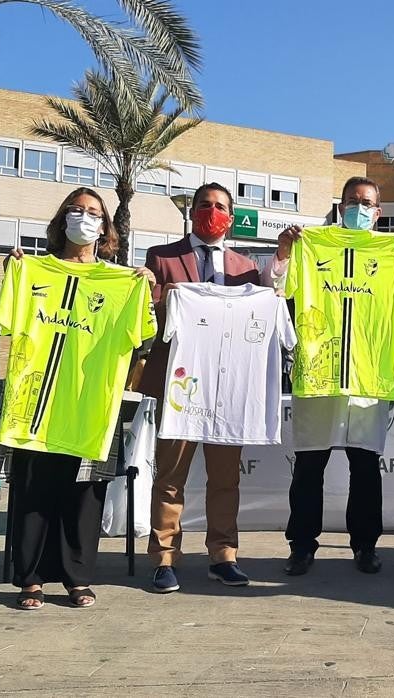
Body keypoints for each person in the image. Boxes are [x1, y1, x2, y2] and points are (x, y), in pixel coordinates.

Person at [265, 176, 394, 576]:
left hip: (370, 378)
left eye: (367, 202)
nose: (359, 207)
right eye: (352, 201)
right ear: (340, 206)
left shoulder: (393, 252)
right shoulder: (313, 245)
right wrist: (285, 250)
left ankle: (365, 546)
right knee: (310, 466)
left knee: (365, 468)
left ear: (378, 212)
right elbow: (278, 288)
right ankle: (302, 546)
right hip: (320, 374)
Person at [0, 188, 154, 610]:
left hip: (89, 407)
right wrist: (14, 271)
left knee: (85, 495)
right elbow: (6, 322)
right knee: (31, 491)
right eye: (76, 210)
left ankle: (76, 578)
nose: (84, 218)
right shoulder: (30, 271)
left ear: (106, 227)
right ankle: (30, 579)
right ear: (61, 218)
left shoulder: (122, 281)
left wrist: (145, 286)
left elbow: (144, 338)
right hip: (34, 407)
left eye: (94, 213)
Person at [137, 183, 261, 593]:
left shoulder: (246, 268)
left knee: (226, 478)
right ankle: (164, 558)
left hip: (228, 390)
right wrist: (161, 294)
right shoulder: (162, 257)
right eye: (205, 205)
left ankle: (224, 555)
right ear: (192, 212)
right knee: (170, 477)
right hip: (180, 386)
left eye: (221, 206)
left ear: (231, 214)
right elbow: (145, 304)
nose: (213, 211)